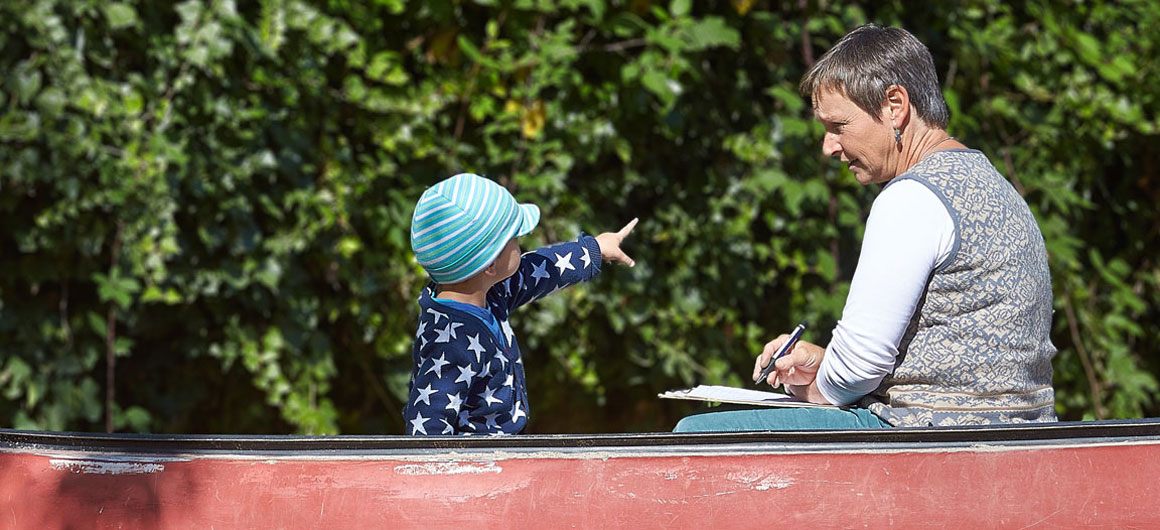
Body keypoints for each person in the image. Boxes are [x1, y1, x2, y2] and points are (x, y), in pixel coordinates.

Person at [675, 24, 1056, 431]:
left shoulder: (912, 198)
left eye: (838, 126)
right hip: (1023, 431)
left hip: (928, 438)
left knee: (696, 435)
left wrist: (819, 386)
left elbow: (858, 369)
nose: (828, 146)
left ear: (895, 105)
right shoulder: (993, 184)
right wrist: (827, 362)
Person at [404, 173, 636, 435]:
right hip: (479, 459)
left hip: (504, 451)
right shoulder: (450, 343)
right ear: (490, 264)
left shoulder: (487, 294)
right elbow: (426, 429)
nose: (521, 242)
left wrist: (595, 249)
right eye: (514, 238)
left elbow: (541, 271)